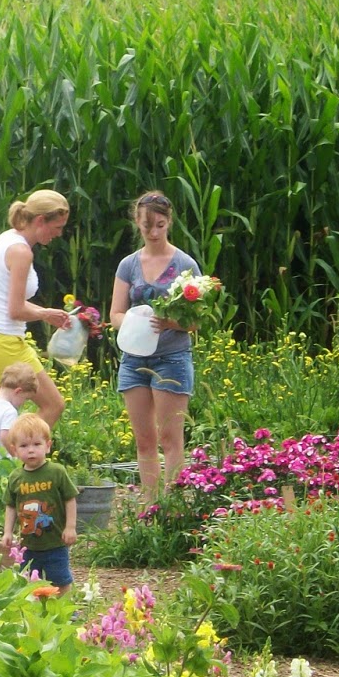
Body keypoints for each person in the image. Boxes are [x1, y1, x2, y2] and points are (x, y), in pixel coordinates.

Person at [107, 191, 202, 495]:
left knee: (170, 438)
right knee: (144, 440)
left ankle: (173, 506)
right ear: (137, 222)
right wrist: (137, 321)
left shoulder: (186, 265)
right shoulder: (128, 265)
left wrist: (167, 323)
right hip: (134, 359)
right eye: (147, 225)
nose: (154, 232)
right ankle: (150, 507)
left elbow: (195, 321)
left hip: (171, 357)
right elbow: (115, 314)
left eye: (160, 225)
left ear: (168, 222)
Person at [0, 189, 74, 427]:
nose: (59, 234)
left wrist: (44, 314)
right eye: (57, 227)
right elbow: (14, 310)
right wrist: (46, 314)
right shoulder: (21, 251)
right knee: (53, 405)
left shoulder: (7, 238)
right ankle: (18, 453)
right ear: (39, 221)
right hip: (1, 341)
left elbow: (9, 302)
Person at [0, 413, 79, 596]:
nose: (31, 450)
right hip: (28, 544)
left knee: (60, 578)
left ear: (48, 446)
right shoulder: (16, 477)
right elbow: (10, 505)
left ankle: (65, 608)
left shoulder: (56, 472)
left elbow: (70, 498)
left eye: (37, 444)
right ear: (14, 450)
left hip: (55, 540)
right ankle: (34, 609)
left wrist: (70, 527)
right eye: (24, 446)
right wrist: (7, 532)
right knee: (27, 580)